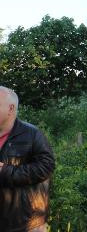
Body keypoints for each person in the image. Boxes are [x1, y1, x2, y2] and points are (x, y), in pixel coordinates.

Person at [0, 86, 55, 232]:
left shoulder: (32, 134)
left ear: (11, 109)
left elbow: (46, 167)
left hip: (25, 221)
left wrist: (6, 171)